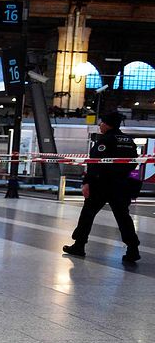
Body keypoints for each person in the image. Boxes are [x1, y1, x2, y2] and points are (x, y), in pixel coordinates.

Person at [64, 112, 142, 264]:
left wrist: (87, 182)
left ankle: (79, 245)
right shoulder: (128, 141)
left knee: (87, 214)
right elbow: (133, 162)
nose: (100, 125)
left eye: (101, 123)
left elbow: (94, 163)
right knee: (123, 217)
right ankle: (133, 249)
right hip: (121, 185)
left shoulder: (105, 140)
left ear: (107, 124)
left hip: (101, 185)